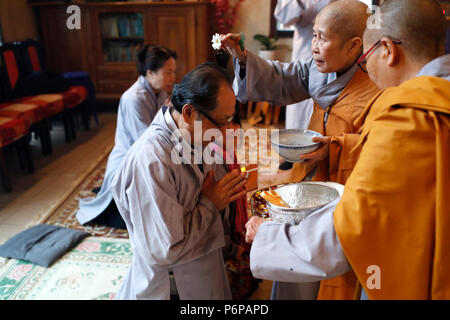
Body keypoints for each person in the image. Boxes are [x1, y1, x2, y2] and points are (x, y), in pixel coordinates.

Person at [245, 0, 450, 299]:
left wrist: (269, 235)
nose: (365, 69)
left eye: (366, 59)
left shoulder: (408, 117)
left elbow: (353, 227)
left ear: (388, 51)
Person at [220, 0, 380, 299]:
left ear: (354, 45)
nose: (315, 46)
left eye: (322, 38)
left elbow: (381, 148)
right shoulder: (318, 67)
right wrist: (243, 57)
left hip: (349, 193)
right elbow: (282, 77)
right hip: (313, 179)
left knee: (331, 262)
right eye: (314, 36)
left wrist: (334, 147)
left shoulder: (379, 81)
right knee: (295, 257)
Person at [111, 62, 248, 300]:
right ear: (188, 112)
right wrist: (210, 204)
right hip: (172, 284)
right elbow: (164, 249)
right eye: (222, 122)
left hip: (204, 265)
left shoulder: (195, 136)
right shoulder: (151, 161)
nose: (227, 131)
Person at [76, 45, 176, 229]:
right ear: (150, 73)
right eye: (168, 72)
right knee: (142, 221)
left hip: (149, 153)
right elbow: (147, 142)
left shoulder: (160, 92)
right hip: (129, 162)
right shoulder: (134, 98)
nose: (173, 77)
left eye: (173, 72)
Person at [274, 0, 333, 171]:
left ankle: (319, 152)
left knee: (325, 105)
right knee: (298, 106)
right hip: (305, 52)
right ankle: (292, 153)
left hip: (332, 53)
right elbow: (283, 17)